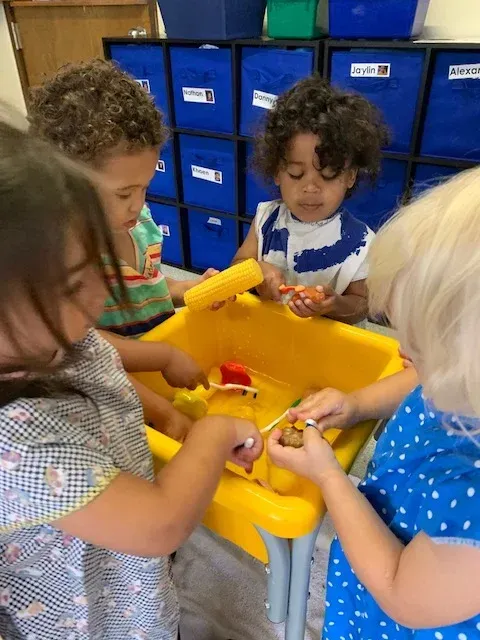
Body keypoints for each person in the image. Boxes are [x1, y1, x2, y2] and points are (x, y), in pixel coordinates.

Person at [0, 114, 263, 640]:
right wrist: (216, 432)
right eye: (77, 284)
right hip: (91, 616)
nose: (103, 294)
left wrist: (164, 401)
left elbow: (103, 369)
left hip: (133, 580)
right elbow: (158, 523)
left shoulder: (55, 336)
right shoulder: (19, 443)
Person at [269, 168, 480, 639]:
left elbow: (399, 589)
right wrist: (355, 404)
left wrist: (328, 475)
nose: (402, 351)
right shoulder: (458, 381)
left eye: (420, 349)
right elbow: (416, 381)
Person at [29, 59, 228, 441]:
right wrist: (163, 393)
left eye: (145, 187)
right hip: (122, 394)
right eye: (123, 193)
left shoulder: (138, 223)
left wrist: (188, 290)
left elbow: (146, 284)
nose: (137, 205)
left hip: (163, 363)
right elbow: (85, 347)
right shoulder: (70, 262)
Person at [232, 76, 389, 324]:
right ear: (276, 172)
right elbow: (238, 264)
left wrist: (333, 304)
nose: (310, 187)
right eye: (296, 174)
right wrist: (257, 271)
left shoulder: (361, 241)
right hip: (273, 333)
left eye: (327, 175)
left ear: (349, 176)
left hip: (328, 348)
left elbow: (361, 305)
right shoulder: (266, 219)